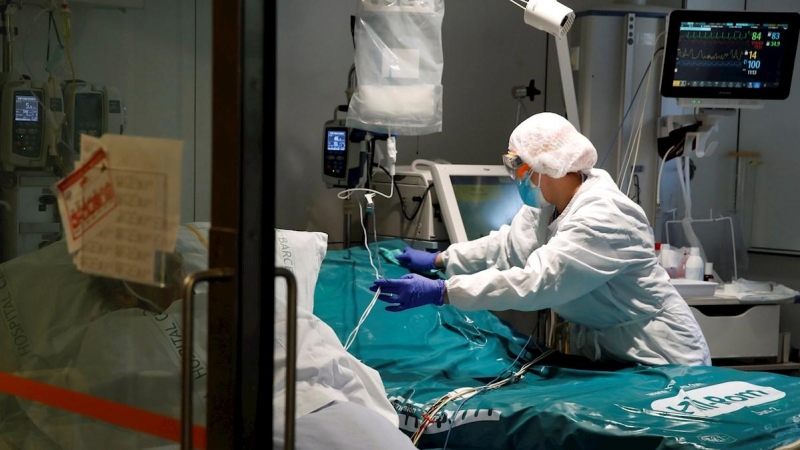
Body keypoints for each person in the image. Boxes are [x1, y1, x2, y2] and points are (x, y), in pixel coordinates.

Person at [370, 112, 711, 367]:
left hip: (662, 354)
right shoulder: (548, 206)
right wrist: (441, 260)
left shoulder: (604, 218)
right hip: (610, 351)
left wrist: (445, 291)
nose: (517, 177)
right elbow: (506, 247)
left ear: (548, 165)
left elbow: (537, 282)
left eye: (519, 167)